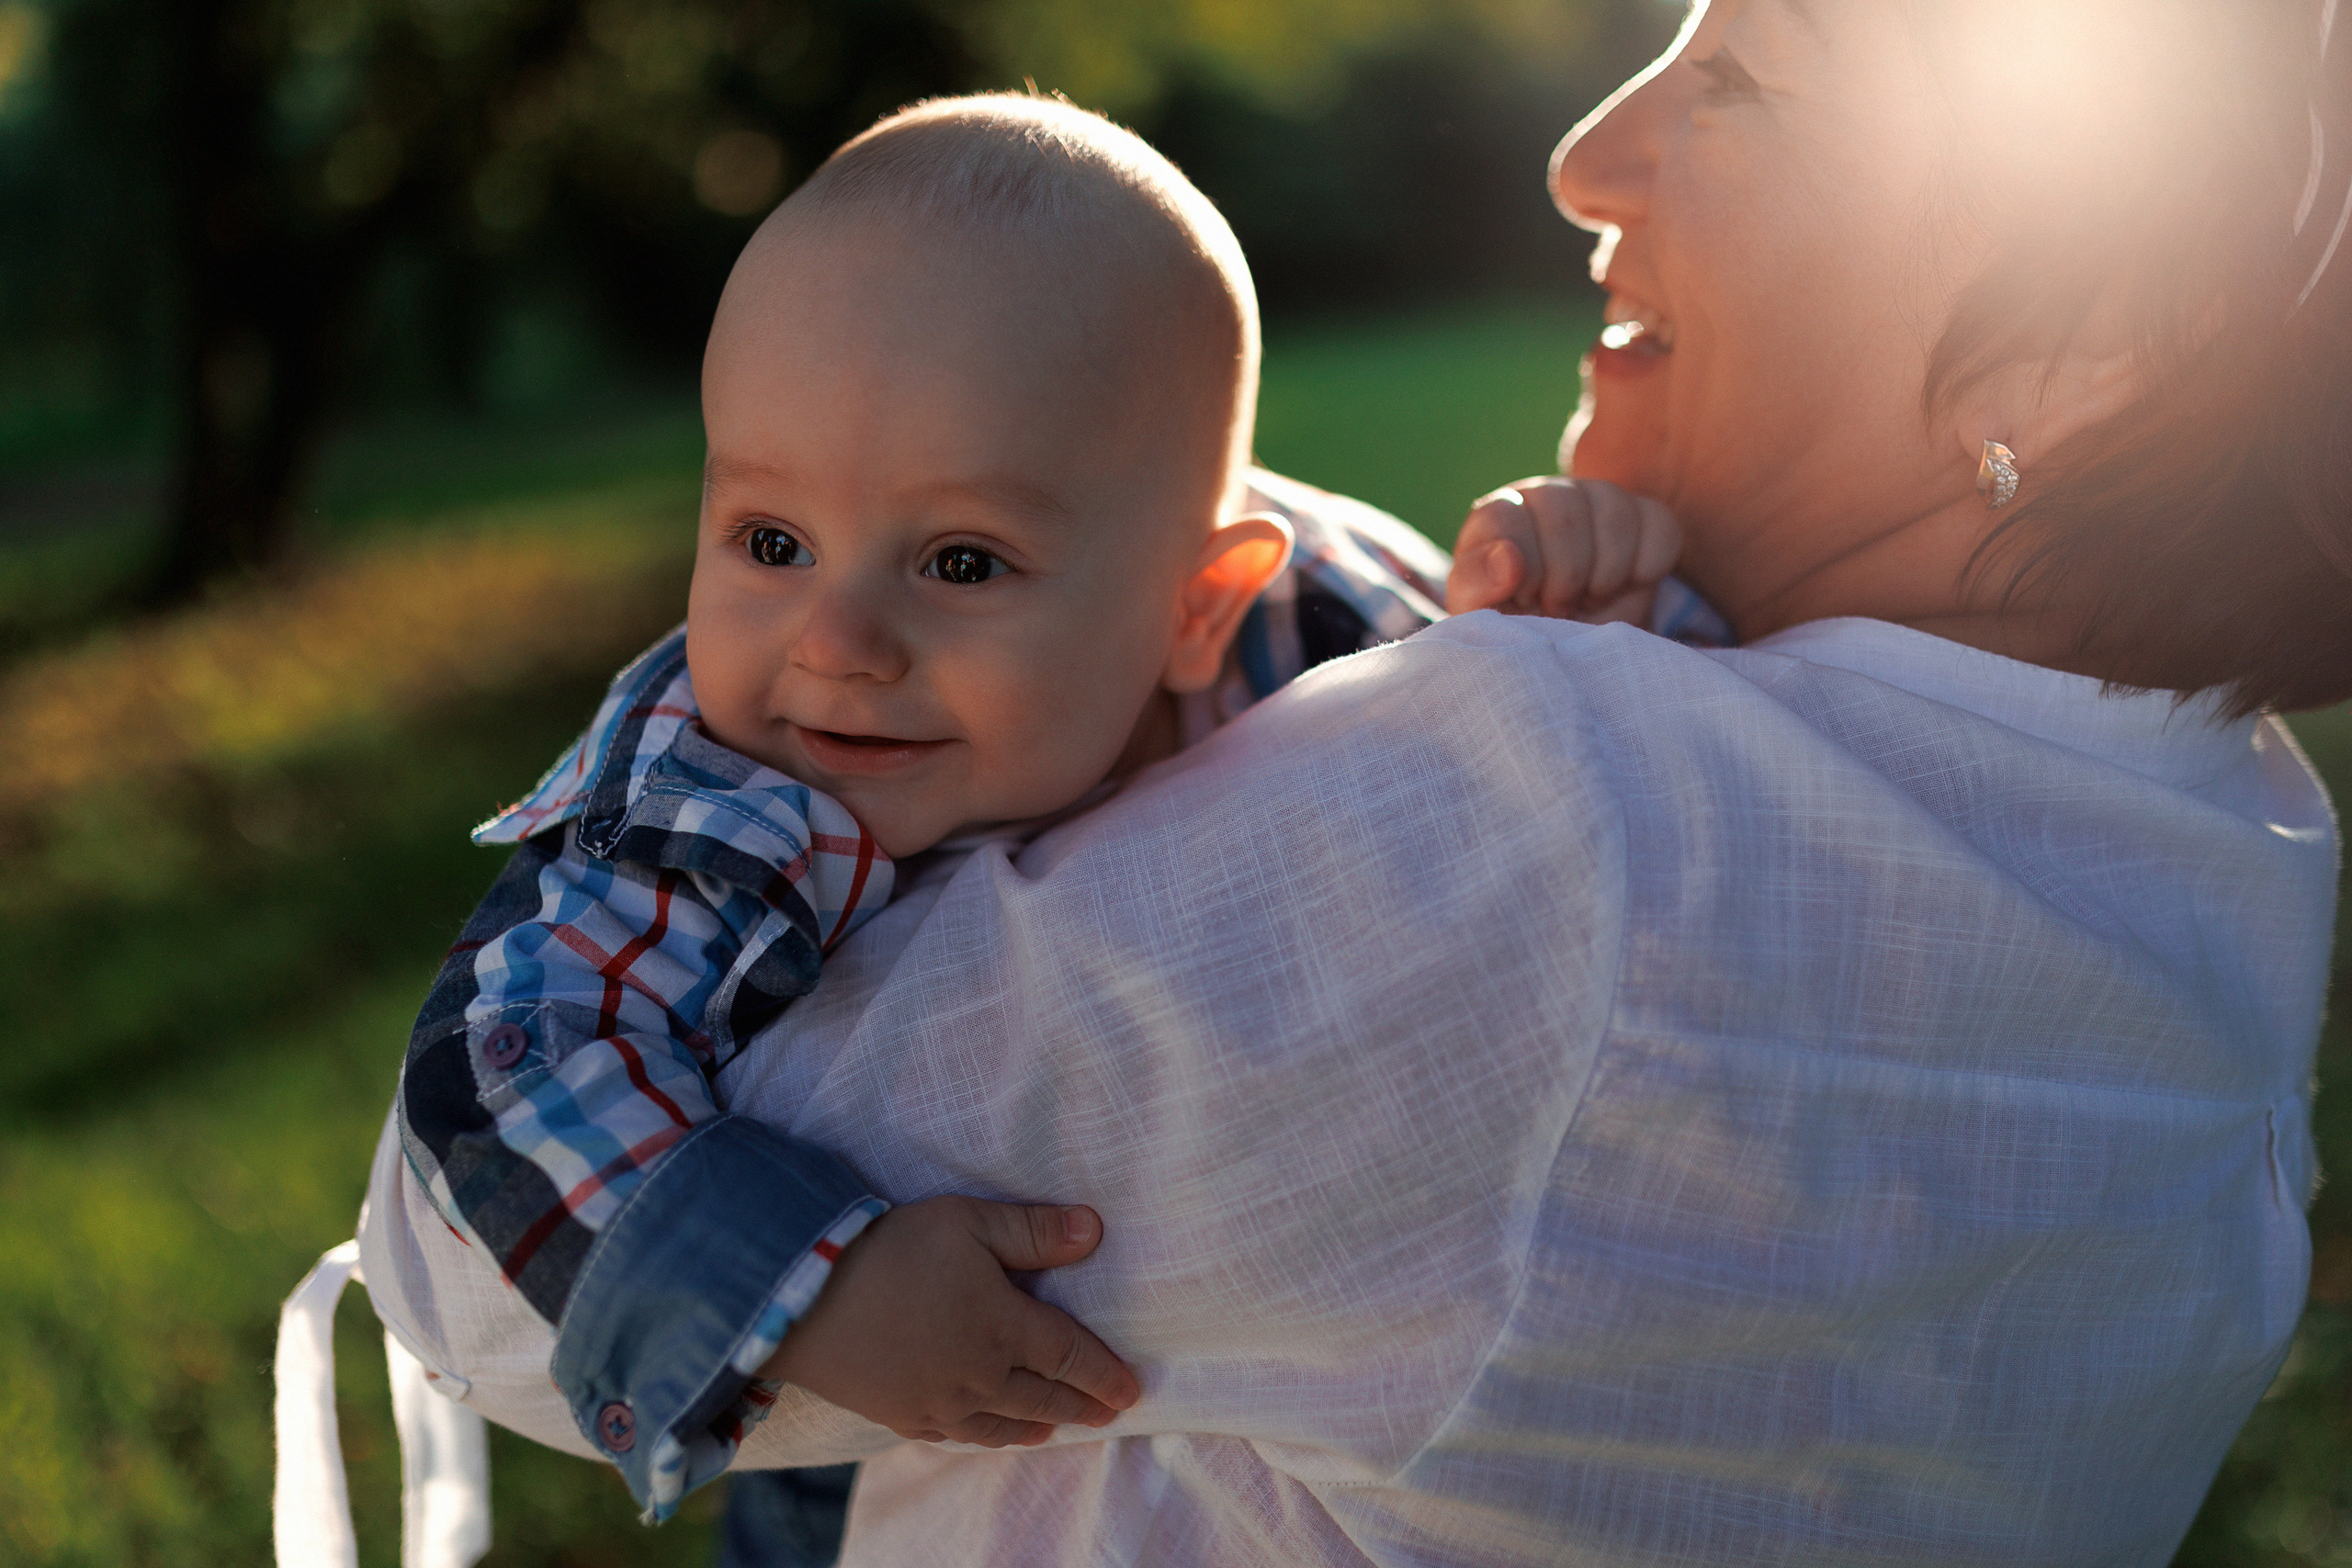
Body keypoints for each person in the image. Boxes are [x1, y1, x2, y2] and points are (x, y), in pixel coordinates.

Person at [363, 0, 2350, 1562]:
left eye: (1743, 76)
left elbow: (469, 1292)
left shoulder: (1549, 825)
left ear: (2078, 345)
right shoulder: (2239, 862)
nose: (1587, 151)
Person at [379, 89, 1684, 1539]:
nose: (840, 640)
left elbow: (1516, 768)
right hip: (857, 1464)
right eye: (771, 540)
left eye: (959, 561)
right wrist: (807, 1286)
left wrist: (1552, 621)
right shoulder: (732, 786)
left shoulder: (1313, 615)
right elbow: (506, 1055)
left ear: (1199, 605)